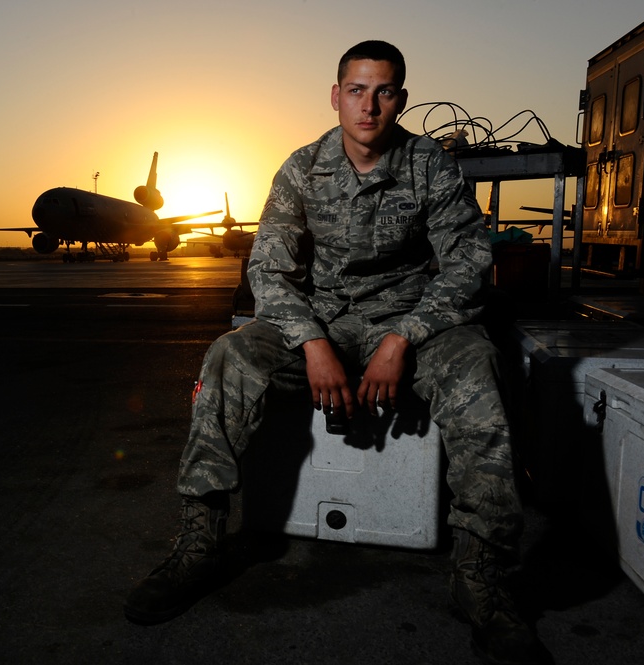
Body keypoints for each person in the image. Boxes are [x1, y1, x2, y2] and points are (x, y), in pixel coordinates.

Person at [124, 40, 542, 665]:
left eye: (385, 91)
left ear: (401, 98)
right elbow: (268, 268)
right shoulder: (302, 167)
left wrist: (404, 337)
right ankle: (200, 544)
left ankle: (480, 577)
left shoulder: (431, 164)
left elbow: (468, 259)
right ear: (335, 95)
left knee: (479, 372)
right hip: (316, 319)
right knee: (228, 358)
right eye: (356, 90)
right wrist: (313, 343)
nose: (369, 106)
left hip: (407, 320)